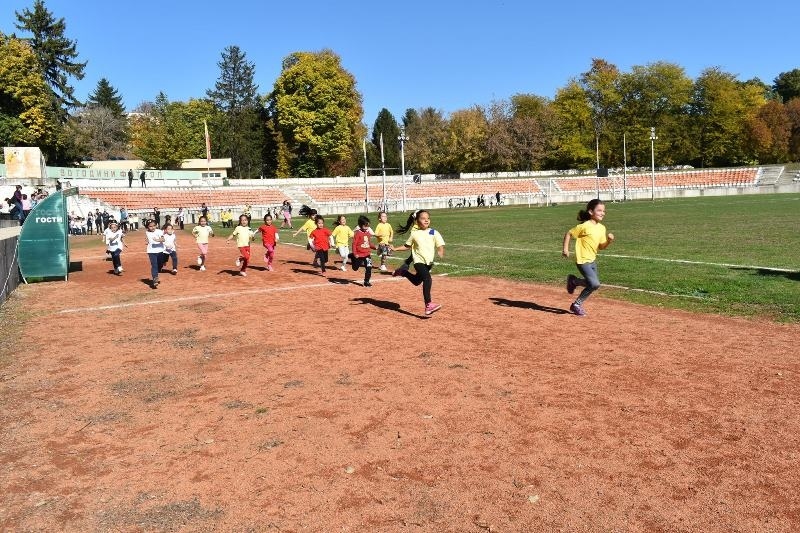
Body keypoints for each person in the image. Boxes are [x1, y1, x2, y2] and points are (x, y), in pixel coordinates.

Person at [562, 198, 615, 317]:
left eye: (604, 211)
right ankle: (576, 305)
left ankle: (574, 281)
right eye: (599, 210)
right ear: (591, 212)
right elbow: (569, 233)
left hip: (592, 260)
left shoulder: (602, 228)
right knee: (595, 284)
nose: (602, 213)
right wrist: (565, 249)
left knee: (592, 285)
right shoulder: (585, 226)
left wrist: (609, 241)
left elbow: (601, 247)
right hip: (582, 260)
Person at [390, 210, 445, 316]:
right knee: (427, 278)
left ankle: (403, 272)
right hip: (418, 261)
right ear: (417, 221)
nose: (426, 220)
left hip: (428, 263)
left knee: (416, 281)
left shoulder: (433, 232)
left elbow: (439, 244)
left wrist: (440, 250)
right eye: (423, 218)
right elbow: (407, 246)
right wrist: (395, 249)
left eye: (428, 218)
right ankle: (428, 305)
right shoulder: (415, 234)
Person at [348, 215, 377, 287]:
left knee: (369, 268)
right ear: (361, 225)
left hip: (367, 254)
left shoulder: (368, 233)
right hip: (359, 254)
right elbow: (354, 244)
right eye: (365, 226)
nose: (367, 228)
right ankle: (352, 256)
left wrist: (374, 247)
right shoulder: (358, 233)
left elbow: (368, 243)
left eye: (368, 226)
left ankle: (366, 281)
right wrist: (355, 254)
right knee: (355, 268)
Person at [144, 219, 165, 288]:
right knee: (154, 265)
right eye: (150, 226)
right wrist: (146, 241)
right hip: (151, 251)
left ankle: (158, 269)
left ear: (156, 225)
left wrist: (158, 240)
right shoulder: (147, 232)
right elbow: (147, 239)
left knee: (160, 264)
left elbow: (163, 239)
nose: (153, 227)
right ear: (147, 227)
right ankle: (155, 278)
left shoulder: (159, 231)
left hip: (160, 251)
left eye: (154, 225)